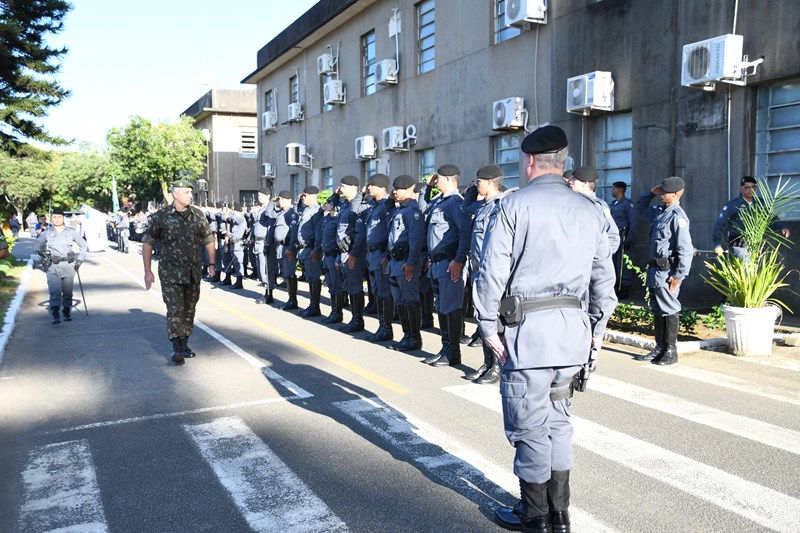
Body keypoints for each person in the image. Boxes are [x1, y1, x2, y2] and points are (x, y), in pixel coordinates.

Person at [473, 125, 617, 533]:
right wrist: (597, 330)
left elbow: (491, 272)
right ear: (564, 162)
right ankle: (561, 515)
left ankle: (534, 516)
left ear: (531, 161)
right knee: (559, 420)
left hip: (527, 334)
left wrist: (486, 326)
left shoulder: (514, 207)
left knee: (530, 425)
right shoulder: (591, 210)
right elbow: (603, 281)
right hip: (572, 332)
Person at [142, 179, 216, 365]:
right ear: (175, 195)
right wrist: (147, 271)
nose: (190, 196)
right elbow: (148, 242)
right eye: (186, 193)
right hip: (170, 273)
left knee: (189, 309)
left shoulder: (198, 215)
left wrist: (212, 263)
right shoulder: (161, 216)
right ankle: (177, 347)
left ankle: (185, 342)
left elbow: (208, 239)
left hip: (192, 272)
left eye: (191, 193)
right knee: (175, 309)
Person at [461, 164, 515, 385]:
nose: (476, 185)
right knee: (482, 317)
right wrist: (472, 192)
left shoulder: (501, 206)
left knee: (494, 320)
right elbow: (466, 208)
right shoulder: (482, 206)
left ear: (491, 183)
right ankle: (487, 362)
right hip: (477, 271)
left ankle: (497, 366)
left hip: (492, 273)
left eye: (479, 182)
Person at [634, 176, 694, 366]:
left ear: (676, 194)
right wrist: (650, 193)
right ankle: (659, 347)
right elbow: (639, 208)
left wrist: (679, 275)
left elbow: (686, 249)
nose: (662, 194)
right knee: (658, 309)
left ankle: (670, 350)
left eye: (665, 192)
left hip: (667, 272)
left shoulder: (678, 216)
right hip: (654, 270)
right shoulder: (659, 212)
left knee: (669, 308)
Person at [418, 165, 472, 368]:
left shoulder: (456, 203)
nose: (435, 179)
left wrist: (458, 260)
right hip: (437, 263)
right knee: (441, 307)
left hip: (450, 263)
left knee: (451, 308)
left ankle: (453, 352)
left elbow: (464, 234)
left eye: (438, 178)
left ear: (449, 179)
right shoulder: (440, 202)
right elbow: (422, 209)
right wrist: (426, 188)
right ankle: (445, 347)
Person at [385, 175, 425, 351]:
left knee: (410, 300)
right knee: (400, 301)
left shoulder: (413, 211)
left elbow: (415, 241)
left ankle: (415, 338)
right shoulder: (398, 210)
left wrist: (411, 263)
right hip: (395, 262)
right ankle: (406, 335)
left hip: (406, 263)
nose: (394, 192)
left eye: (398, 189)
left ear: (409, 189)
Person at [712, 176, 790, 260]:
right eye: (747, 187)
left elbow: (771, 218)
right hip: (738, 248)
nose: (750, 190)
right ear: (741, 188)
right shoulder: (733, 205)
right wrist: (717, 245)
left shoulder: (760, 203)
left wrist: (782, 227)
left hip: (755, 248)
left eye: (753, 187)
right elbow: (719, 225)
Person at [35, 207, 88, 324]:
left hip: (68, 265)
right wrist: (44, 260)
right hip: (52, 266)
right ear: (51, 218)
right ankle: (55, 313)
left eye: (59, 217)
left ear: (63, 218)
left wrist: (79, 260)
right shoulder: (47, 233)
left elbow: (83, 245)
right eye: (54, 217)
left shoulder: (71, 232)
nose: (57, 219)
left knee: (68, 291)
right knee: (54, 291)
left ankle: (67, 310)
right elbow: (37, 247)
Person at [363, 174, 395, 342]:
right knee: (377, 292)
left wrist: (388, 256)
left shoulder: (386, 206)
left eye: (372, 185)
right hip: (371, 255)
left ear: (382, 187)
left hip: (382, 254)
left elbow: (392, 231)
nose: (369, 188)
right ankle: (382, 326)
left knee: (384, 293)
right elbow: (356, 209)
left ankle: (386, 328)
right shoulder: (372, 205)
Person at [335, 175, 370, 333]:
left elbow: (360, 234)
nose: (340, 189)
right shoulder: (345, 205)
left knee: (355, 287)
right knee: (350, 286)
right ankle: (354, 318)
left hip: (353, 252)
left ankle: (358, 320)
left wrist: (354, 254)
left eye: (343, 186)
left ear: (352, 187)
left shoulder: (360, 205)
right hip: (344, 251)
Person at [567, 166, 621, 254]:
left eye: (574, 179)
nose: (570, 182)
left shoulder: (598, 206)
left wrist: (598, 260)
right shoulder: (571, 203)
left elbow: (613, 237)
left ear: (585, 184)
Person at [291, 186, 324, 317]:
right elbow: (295, 212)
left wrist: (316, 249)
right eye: (303, 196)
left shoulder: (316, 211)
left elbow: (318, 233)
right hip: (304, 250)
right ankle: (312, 305)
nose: (303, 198)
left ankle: (315, 306)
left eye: (305, 196)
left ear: (313, 196)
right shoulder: (305, 210)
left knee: (314, 278)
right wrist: (297, 200)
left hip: (311, 249)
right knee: (310, 278)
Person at [609, 181, 638, 299]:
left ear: (620, 190)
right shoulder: (613, 204)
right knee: (613, 263)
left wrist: (629, 239)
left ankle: (623, 288)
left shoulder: (627, 204)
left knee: (623, 264)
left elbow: (633, 222)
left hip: (623, 237)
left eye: (613, 188)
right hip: (613, 237)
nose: (612, 191)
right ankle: (614, 287)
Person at [273, 190, 299, 310]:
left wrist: (291, 248)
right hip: (281, 247)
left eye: (281, 199)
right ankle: (290, 298)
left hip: (287, 246)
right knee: (286, 274)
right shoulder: (282, 213)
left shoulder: (291, 213)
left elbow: (294, 232)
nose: (279, 202)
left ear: (287, 200)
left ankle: (292, 300)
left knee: (289, 274)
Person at [223, 202, 247, 289]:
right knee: (236, 264)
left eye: (236, 211)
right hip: (234, 243)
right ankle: (238, 281)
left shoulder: (241, 218)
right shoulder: (236, 219)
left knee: (238, 263)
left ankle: (239, 282)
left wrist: (230, 214)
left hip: (238, 244)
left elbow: (235, 218)